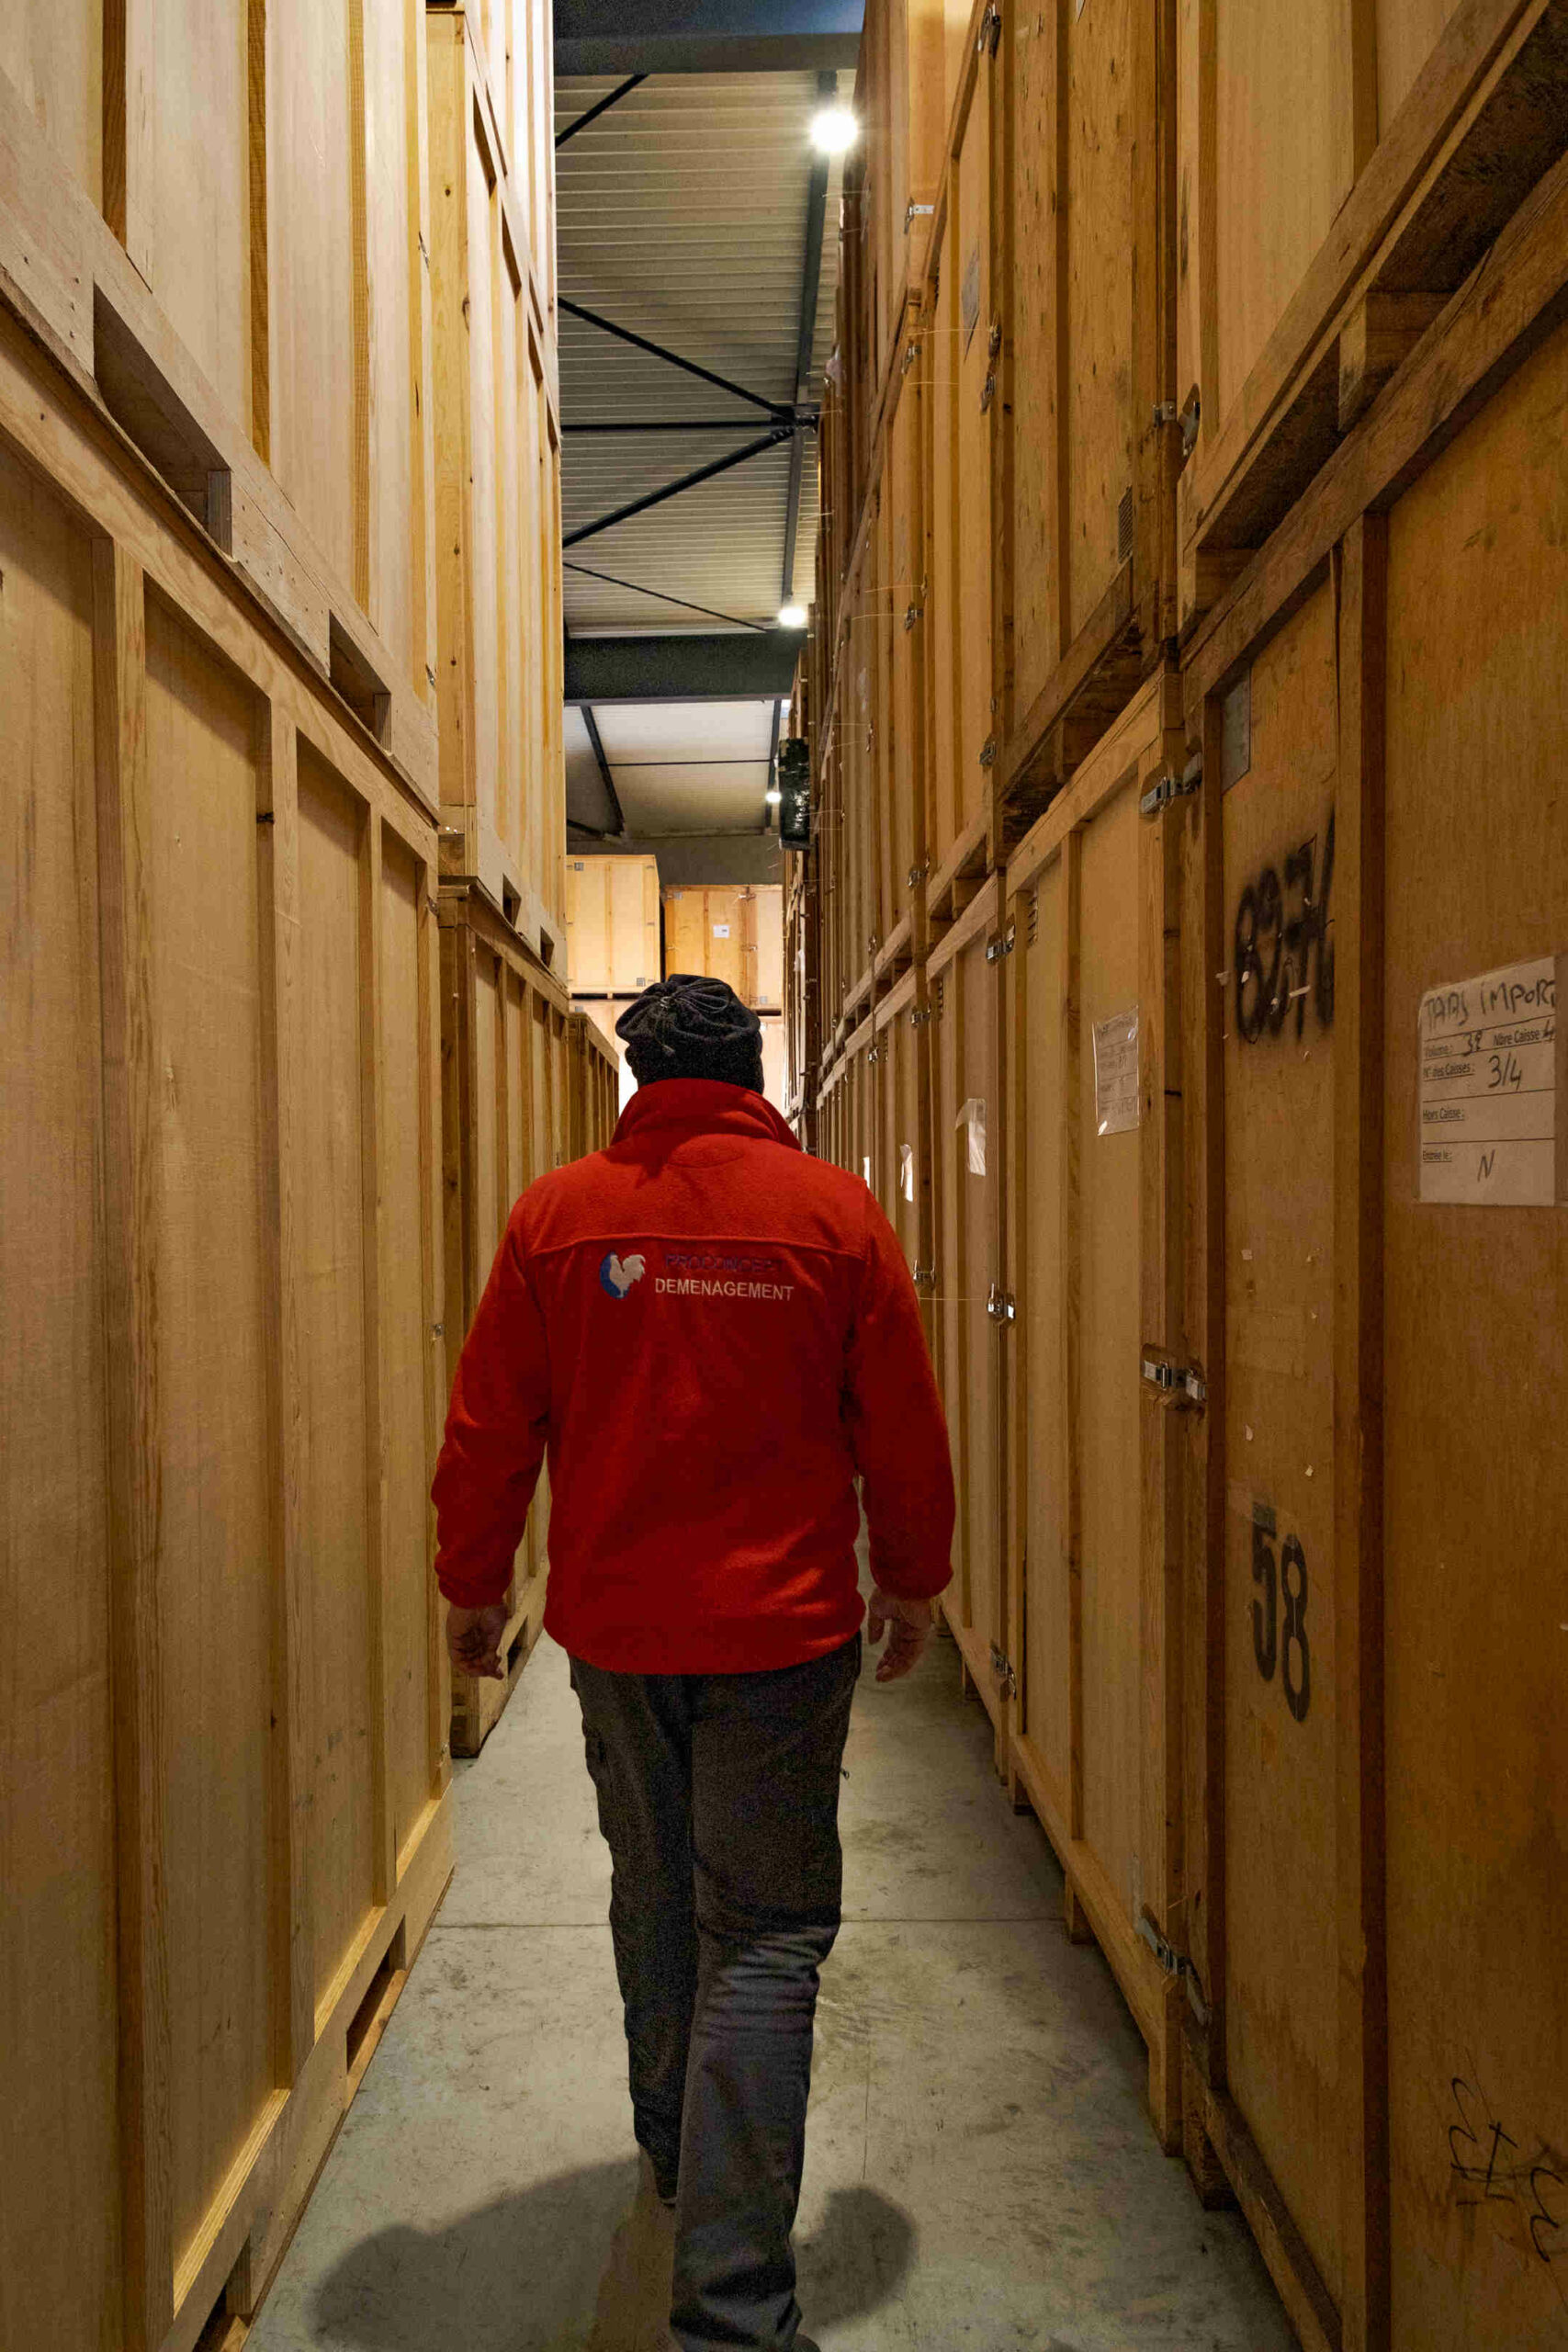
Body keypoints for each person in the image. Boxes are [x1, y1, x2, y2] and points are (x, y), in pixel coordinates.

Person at [432, 971, 955, 2352]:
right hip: (785, 1636)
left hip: (618, 1633)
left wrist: (472, 1588)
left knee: (656, 1891)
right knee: (766, 1933)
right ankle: (732, 2307)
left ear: (641, 1081)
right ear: (754, 1078)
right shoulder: (833, 1216)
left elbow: (491, 1424)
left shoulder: (557, 1217)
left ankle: (676, 2147)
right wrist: (911, 1578)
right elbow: (903, 1426)